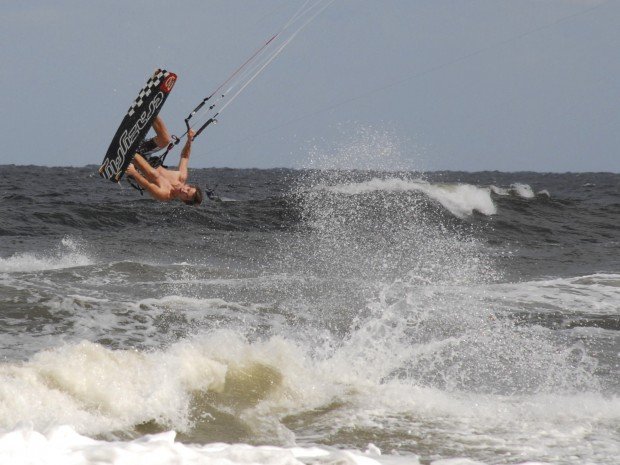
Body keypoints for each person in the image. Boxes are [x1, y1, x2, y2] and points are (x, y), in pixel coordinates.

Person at [125, 116, 204, 206]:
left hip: (134, 167)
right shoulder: (181, 176)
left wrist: (134, 173)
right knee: (166, 140)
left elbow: (147, 185)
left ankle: (130, 154)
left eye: (186, 195)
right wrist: (189, 140)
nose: (184, 191)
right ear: (189, 185)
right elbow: (185, 157)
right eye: (188, 189)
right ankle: (152, 112)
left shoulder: (165, 194)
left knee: (153, 174)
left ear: (183, 200)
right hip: (145, 155)